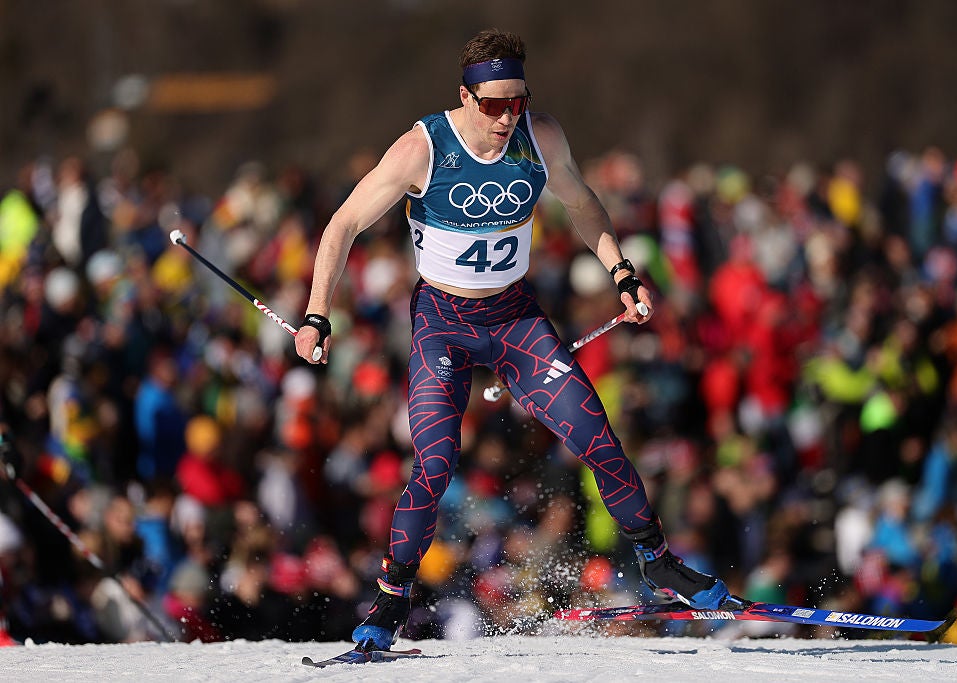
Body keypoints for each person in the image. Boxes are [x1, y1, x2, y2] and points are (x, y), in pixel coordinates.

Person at [294, 29, 748, 651]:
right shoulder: (423, 148)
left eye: (518, 102)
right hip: (442, 327)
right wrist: (318, 314)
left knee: (598, 439)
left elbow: (583, 204)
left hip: (515, 321)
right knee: (433, 467)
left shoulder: (542, 135)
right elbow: (343, 224)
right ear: (465, 96)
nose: (509, 117)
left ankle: (657, 561)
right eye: (494, 104)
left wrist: (622, 273)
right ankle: (390, 599)